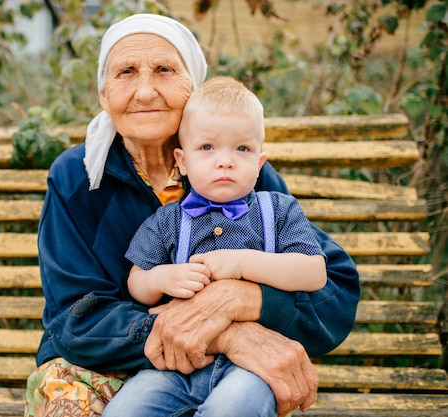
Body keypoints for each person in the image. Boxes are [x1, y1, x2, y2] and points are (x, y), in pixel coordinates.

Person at [24, 13, 360, 417]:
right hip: (103, 366)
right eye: (126, 72)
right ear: (103, 94)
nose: (145, 92)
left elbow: (332, 288)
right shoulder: (76, 177)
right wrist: (225, 332)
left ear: (193, 87)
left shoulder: (237, 171)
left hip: (232, 376)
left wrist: (246, 298)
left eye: (165, 70)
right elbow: (75, 316)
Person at [102, 76, 327, 417]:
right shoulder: (167, 220)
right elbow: (137, 281)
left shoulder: (278, 210)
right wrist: (161, 278)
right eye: (207, 148)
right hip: (176, 367)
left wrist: (242, 264)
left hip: (252, 366)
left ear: (260, 163)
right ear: (182, 161)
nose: (225, 161)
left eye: (242, 149)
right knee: (125, 411)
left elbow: (314, 273)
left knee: (232, 409)